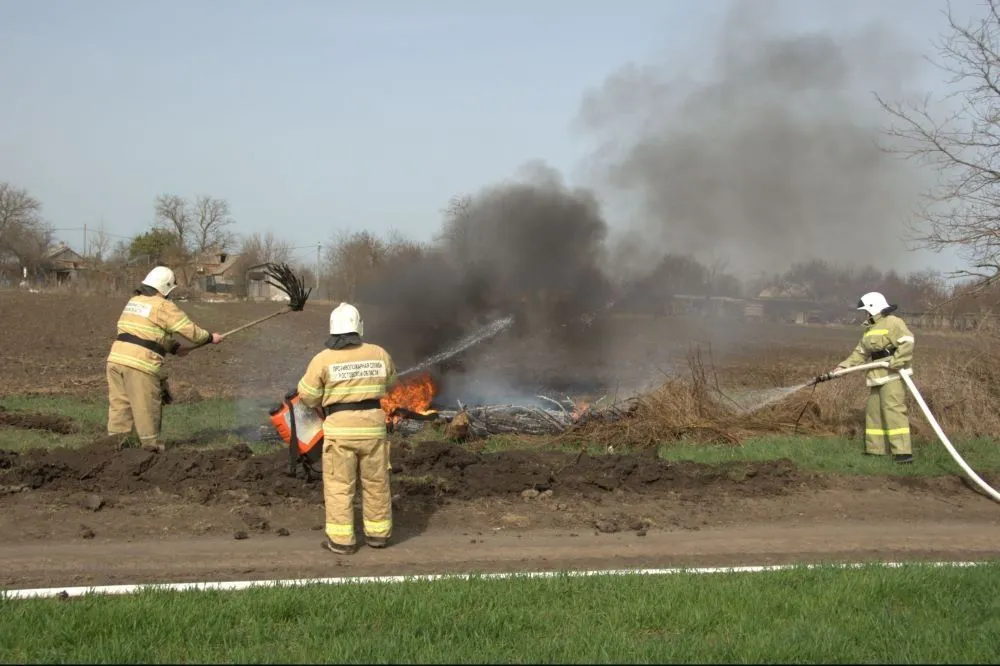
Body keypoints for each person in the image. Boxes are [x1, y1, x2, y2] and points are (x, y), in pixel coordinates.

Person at [296, 302, 397, 555]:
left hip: (340, 432)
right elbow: (392, 383)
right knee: (376, 483)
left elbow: (307, 396)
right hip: (373, 430)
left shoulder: (323, 359)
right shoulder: (379, 353)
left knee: (340, 485)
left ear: (332, 329)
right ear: (358, 327)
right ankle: (378, 535)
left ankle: (342, 541)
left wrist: (325, 396)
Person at [106, 266, 222, 452]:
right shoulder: (163, 306)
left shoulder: (134, 301)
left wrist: (175, 348)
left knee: (120, 407)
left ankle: (115, 448)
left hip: (115, 360)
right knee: (147, 408)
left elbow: (147, 332)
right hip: (140, 364)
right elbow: (191, 331)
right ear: (166, 288)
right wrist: (210, 337)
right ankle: (150, 450)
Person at [831, 291, 915, 464]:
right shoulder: (870, 329)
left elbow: (908, 342)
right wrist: (843, 366)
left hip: (893, 374)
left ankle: (903, 453)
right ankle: (875, 450)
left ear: (873, 307)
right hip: (877, 375)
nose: (865, 314)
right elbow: (860, 353)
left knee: (893, 411)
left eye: (866, 310)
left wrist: (897, 362)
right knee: (873, 412)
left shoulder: (894, 322)